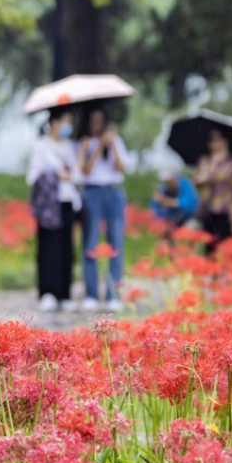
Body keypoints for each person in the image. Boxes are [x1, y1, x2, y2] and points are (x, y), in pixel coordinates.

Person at [27, 108, 82, 313]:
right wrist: (55, 173)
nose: (68, 126)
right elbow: (32, 176)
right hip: (49, 204)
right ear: (53, 122)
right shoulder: (41, 146)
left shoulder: (69, 146)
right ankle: (47, 292)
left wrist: (69, 174)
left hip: (67, 201)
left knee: (67, 249)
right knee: (48, 247)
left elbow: (77, 174)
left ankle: (64, 293)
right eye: (65, 122)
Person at [78, 107, 128, 313]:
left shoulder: (116, 142)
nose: (96, 125)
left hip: (113, 192)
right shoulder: (86, 143)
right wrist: (98, 147)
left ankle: (112, 293)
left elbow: (122, 168)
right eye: (93, 121)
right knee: (90, 242)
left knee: (115, 241)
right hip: (92, 192)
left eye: (100, 121)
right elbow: (85, 170)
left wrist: (112, 144)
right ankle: (91, 293)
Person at [193, 128, 232, 255]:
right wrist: (206, 178)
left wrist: (209, 176)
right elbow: (197, 180)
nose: (215, 143)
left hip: (226, 208)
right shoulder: (205, 160)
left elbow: (231, 182)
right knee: (209, 243)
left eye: (218, 139)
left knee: (224, 244)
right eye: (212, 140)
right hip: (208, 206)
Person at [150, 167, 199, 241]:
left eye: (169, 181)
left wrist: (170, 202)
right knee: (163, 237)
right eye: (165, 182)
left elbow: (190, 205)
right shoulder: (164, 188)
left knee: (189, 230)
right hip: (171, 221)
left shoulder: (186, 185)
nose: (167, 184)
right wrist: (158, 202)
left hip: (188, 219)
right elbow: (155, 207)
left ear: (175, 178)